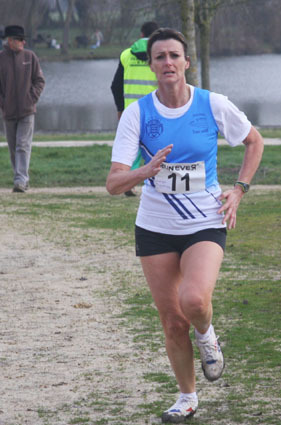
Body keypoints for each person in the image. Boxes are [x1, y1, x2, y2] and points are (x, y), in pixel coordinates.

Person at [105, 28, 264, 423]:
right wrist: (145, 171)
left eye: (174, 55)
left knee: (193, 301)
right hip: (155, 227)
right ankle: (187, 397)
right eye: (159, 57)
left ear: (187, 62)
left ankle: (207, 336)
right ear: (151, 65)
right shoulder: (137, 114)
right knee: (173, 321)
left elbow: (254, 141)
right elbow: (114, 183)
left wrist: (239, 189)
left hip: (205, 221)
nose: (168, 63)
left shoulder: (212, 104)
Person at [0, 25, 45, 193]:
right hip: (8, 113)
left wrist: (32, 98)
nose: (23, 42)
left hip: (27, 111)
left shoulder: (30, 57)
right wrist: (3, 102)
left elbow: (39, 81)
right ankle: (21, 178)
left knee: (22, 145)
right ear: (10, 40)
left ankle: (20, 180)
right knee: (13, 149)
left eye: (23, 39)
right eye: (20, 39)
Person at [110, 21, 159, 196]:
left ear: (141, 35)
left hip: (131, 110)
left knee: (131, 149)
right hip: (156, 109)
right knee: (157, 146)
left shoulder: (126, 55)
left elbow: (115, 86)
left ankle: (128, 184)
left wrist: (120, 109)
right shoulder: (160, 55)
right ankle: (159, 183)